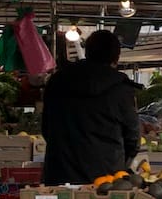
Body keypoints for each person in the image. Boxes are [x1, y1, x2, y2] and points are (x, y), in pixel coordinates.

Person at [40, 30, 140, 186]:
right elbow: (132, 135)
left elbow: (46, 126)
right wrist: (122, 162)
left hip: (60, 172)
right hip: (106, 177)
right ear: (117, 57)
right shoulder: (121, 89)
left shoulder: (58, 81)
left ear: (87, 51)